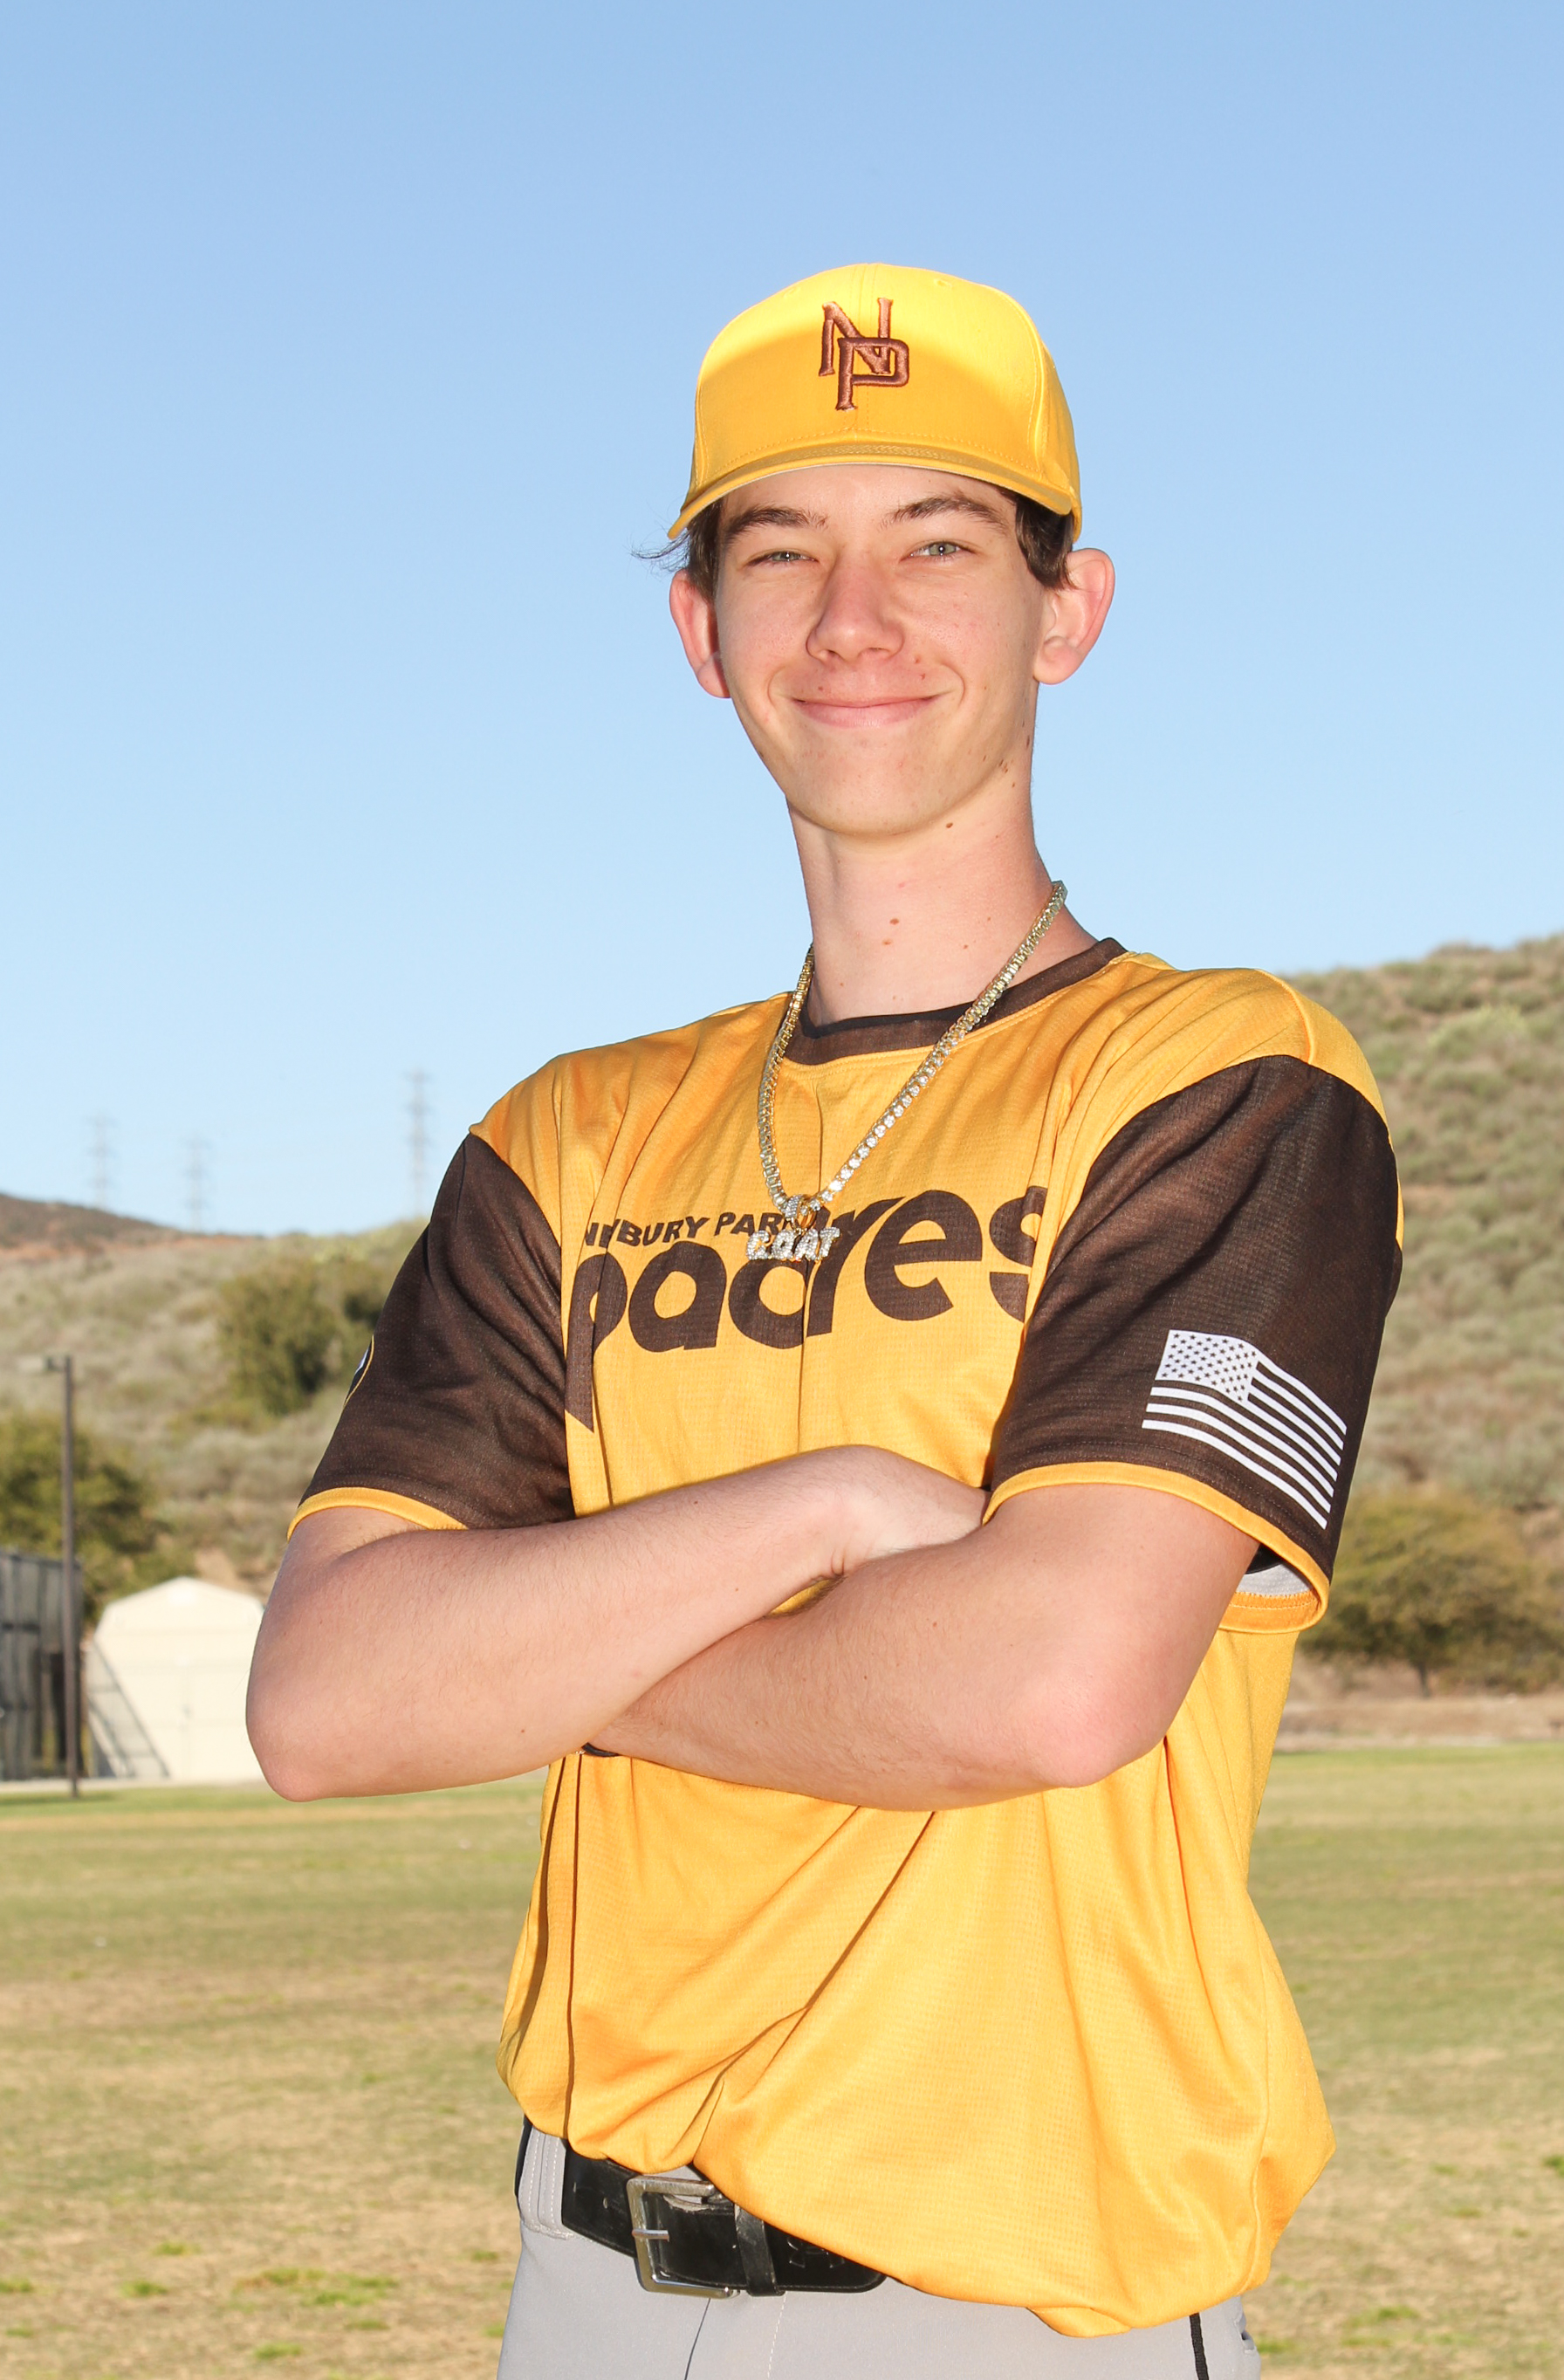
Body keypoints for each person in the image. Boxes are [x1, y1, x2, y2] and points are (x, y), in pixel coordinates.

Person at [249, 263, 1403, 2379]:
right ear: (700, 633)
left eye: (936, 544)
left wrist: (538, 1662)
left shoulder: (1219, 1083)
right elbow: (325, 1704)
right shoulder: (568, 1134)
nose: (853, 619)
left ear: (1066, 611)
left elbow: (1053, 1679)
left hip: (1009, 2303)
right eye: (779, 551)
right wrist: (830, 1506)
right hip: (586, 2283)